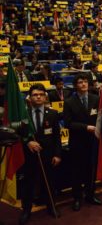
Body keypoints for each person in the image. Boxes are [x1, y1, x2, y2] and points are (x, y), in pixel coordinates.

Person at [18, 84, 62, 225]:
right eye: (35, 94)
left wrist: (58, 155)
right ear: (30, 98)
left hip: (49, 156)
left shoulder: (53, 113)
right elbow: (17, 135)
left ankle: (51, 207)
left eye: (41, 94)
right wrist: (28, 142)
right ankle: (26, 210)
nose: (38, 97)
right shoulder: (23, 115)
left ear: (45, 96)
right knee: (28, 184)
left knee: (50, 182)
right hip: (29, 155)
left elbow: (57, 137)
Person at [63, 73, 102, 211]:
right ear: (75, 85)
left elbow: (100, 118)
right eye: (80, 82)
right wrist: (86, 127)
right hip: (77, 142)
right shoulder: (69, 102)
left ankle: (90, 195)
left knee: (91, 170)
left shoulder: (96, 99)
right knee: (77, 172)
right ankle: (77, 198)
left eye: (85, 81)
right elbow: (68, 123)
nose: (83, 84)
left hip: (93, 142)